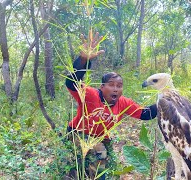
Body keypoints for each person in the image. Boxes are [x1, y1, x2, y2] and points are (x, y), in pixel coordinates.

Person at [65, 32, 157, 179]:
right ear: (102, 87)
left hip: (100, 137)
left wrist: (165, 101)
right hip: (77, 132)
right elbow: (71, 82)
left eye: (119, 86)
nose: (115, 89)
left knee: (103, 162)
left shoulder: (124, 103)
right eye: (111, 85)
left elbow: (146, 114)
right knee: (98, 155)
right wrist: (83, 60)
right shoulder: (90, 94)